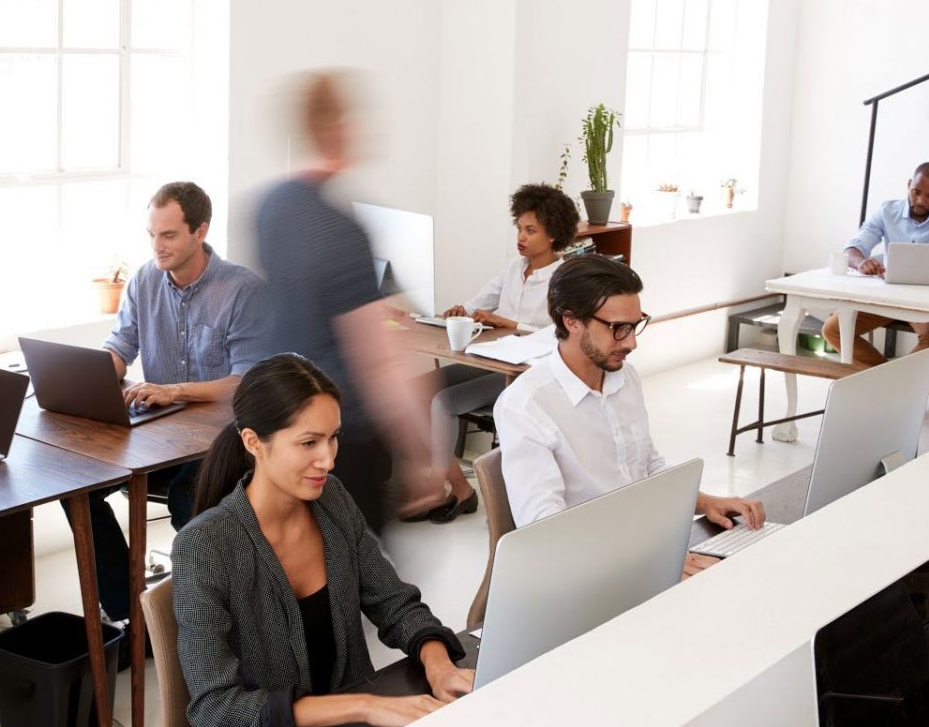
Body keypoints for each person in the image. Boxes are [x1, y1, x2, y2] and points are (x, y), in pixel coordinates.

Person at [172, 354, 472, 727]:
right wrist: (364, 706)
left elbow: (395, 603)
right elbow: (216, 709)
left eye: (333, 437)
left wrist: (439, 664)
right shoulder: (204, 547)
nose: (327, 460)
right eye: (309, 442)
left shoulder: (331, 500)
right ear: (253, 443)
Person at [62, 181, 268, 628]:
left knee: (187, 494)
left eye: (169, 235)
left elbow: (245, 381)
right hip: (158, 432)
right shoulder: (144, 280)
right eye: (152, 234)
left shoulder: (242, 290)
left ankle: (214, 613)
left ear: (200, 231)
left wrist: (175, 391)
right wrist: (91, 377)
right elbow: (121, 343)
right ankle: (131, 612)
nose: (157, 246)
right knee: (77, 486)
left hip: (221, 439)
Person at [494, 255, 765, 578]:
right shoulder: (526, 405)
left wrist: (704, 502)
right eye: (618, 328)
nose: (632, 342)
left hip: (640, 548)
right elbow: (545, 532)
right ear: (572, 321)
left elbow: (645, 469)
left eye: (635, 325)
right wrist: (650, 565)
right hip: (584, 572)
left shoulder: (626, 379)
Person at [253, 72, 433, 530]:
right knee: (357, 582)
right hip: (338, 439)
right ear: (339, 127)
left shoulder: (270, 207)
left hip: (279, 432)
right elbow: (377, 363)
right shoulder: (341, 230)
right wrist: (421, 458)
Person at [408, 183, 578, 524]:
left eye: (531, 230)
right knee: (412, 392)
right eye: (519, 227)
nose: (522, 236)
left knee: (442, 403)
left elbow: (556, 335)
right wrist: (461, 311)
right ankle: (460, 487)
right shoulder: (513, 269)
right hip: (490, 362)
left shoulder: (563, 278)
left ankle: (436, 486)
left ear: (553, 235)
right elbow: (476, 304)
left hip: (523, 375)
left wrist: (507, 321)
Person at [821, 162, 929, 367]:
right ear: (908, 184)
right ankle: (892, 383)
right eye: (916, 192)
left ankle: (894, 385)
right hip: (889, 296)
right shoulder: (887, 211)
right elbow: (853, 247)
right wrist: (861, 262)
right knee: (833, 330)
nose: (920, 201)